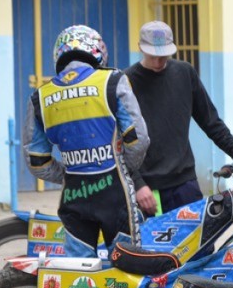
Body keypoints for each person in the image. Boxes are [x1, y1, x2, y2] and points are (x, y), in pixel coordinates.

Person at [23, 25, 150, 257]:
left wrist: (67, 173)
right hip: (116, 195)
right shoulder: (112, 81)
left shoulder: (40, 97)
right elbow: (138, 140)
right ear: (97, 51)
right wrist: (122, 169)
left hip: (74, 197)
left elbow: (36, 161)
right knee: (127, 268)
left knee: (76, 275)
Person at [124, 21, 233, 216]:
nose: (159, 62)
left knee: (199, 245)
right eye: (154, 56)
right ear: (140, 48)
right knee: (152, 247)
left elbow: (212, 123)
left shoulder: (185, 73)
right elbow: (120, 141)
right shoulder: (126, 82)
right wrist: (137, 183)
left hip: (184, 184)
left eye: (164, 56)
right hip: (147, 190)